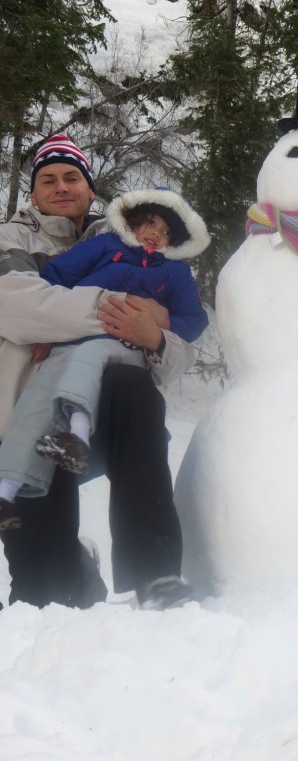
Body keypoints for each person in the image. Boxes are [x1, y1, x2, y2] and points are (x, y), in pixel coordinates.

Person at [0, 134, 200, 609]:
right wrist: (122, 310)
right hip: (24, 415)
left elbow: (181, 350)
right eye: (48, 179)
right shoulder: (12, 238)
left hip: (109, 412)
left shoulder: (137, 241)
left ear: (91, 189)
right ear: (33, 194)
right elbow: (13, 306)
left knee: (133, 386)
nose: (61, 186)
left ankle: (156, 576)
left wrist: (154, 338)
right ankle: (72, 570)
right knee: (43, 595)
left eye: (72, 176)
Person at [0, 187, 209, 508]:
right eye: (150, 224)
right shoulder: (105, 245)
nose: (155, 234)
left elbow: (194, 320)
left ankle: (78, 434)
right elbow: (56, 277)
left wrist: (161, 325)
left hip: (125, 345)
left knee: (89, 358)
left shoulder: (175, 272)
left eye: (166, 232)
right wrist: (47, 329)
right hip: (72, 336)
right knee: (38, 396)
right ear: (134, 222)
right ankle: (8, 485)